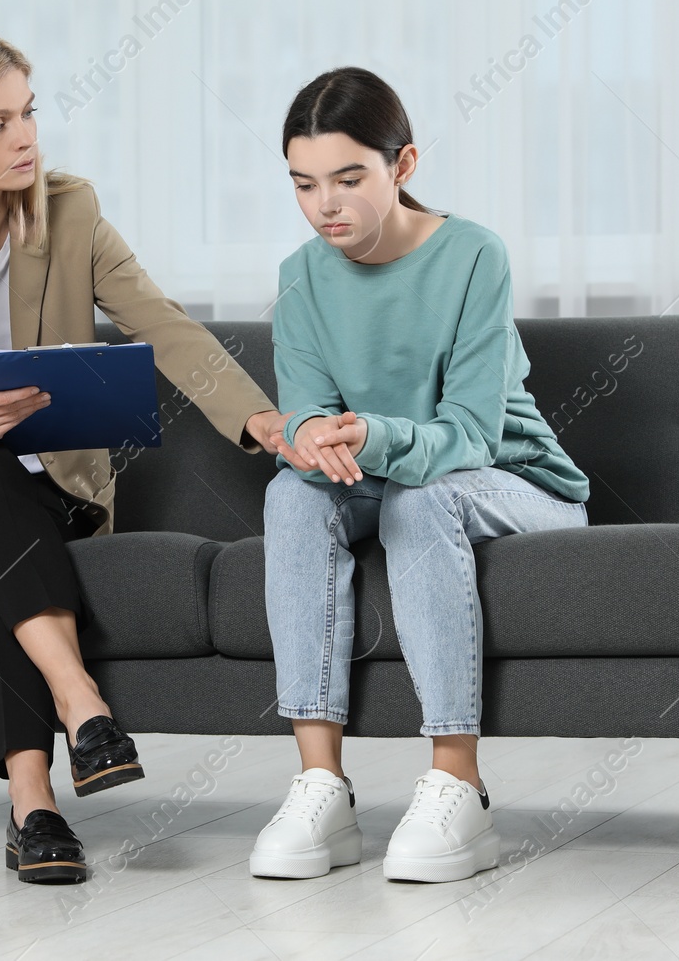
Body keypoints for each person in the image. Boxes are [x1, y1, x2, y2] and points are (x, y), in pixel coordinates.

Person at [0, 28, 289, 886]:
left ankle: (34, 808)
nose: (27, 138)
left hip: (37, 492)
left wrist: (263, 422)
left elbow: (167, 328)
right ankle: (83, 704)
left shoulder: (68, 211)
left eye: (28, 114)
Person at [248, 67, 591, 884]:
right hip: (385, 472)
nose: (325, 204)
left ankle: (457, 780)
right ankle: (321, 784)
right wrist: (308, 436)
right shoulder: (300, 274)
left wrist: (368, 433)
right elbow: (305, 409)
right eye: (303, 184)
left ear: (402, 166)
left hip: (513, 480)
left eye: (348, 178)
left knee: (419, 499)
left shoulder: (473, 254)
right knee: (290, 493)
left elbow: (470, 432)